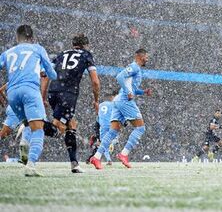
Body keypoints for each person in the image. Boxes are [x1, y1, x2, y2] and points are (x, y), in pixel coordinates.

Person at [0, 25, 57, 176]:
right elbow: (52, 74)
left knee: (26, 124)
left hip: (12, 94)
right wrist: (47, 70)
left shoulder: (8, 52)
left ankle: (24, 144)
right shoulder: (37, 49)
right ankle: (30, 165)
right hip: (30, 90)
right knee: (38, 128)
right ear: (31, 38)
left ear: (17, 38)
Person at [42, 33, 100, 173]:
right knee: (58, 128)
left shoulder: (61, 54)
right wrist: (96, 99)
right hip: (67, 95)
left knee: (72, 124)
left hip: (53, 91)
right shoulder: (86, 55)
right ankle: (30, 123)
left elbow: (44, 74)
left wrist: (43, 96)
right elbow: (95, 82)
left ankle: (74, 163)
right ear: (86, 45)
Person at [90, 49, 151, 170]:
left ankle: (96, 157)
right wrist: (128, 92)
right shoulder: (134, 67)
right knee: (140, 127)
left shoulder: (136, 69)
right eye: (146, 57)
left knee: (113, 131)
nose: (147, 59)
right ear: (140, 56)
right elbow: (120, 76)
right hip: (124, 101)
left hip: (118, 100)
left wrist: (143, 92)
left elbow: (132, 88)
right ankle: (124, 154)